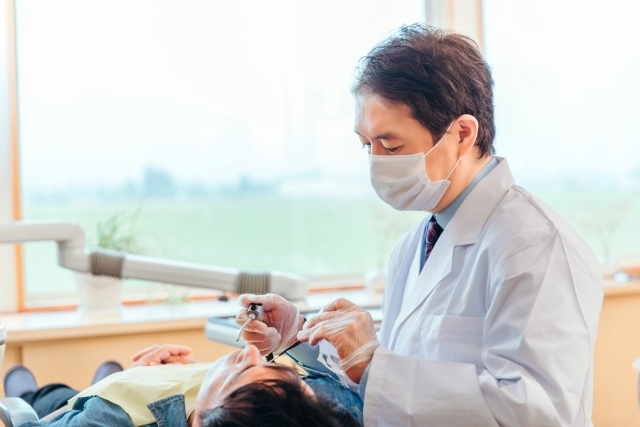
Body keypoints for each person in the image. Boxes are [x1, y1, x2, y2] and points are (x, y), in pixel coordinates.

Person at [236, 23, 604, 427]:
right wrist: (300, 337)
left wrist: (373, 364)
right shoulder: (413, 247)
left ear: (462, 134)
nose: (376, 162)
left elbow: (536, 413)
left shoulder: (537, 246)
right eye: (366, 145)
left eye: (391, 146)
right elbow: (386, 392)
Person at [3, 344, 361, 427]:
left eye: (238, 371)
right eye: (275, 366)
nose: (251, 350)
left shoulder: (108, 418)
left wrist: (125, 381)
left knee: (49, 396)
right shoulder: (322, 409)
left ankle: (25, 389)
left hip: (87, 407)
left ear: (203, 417)